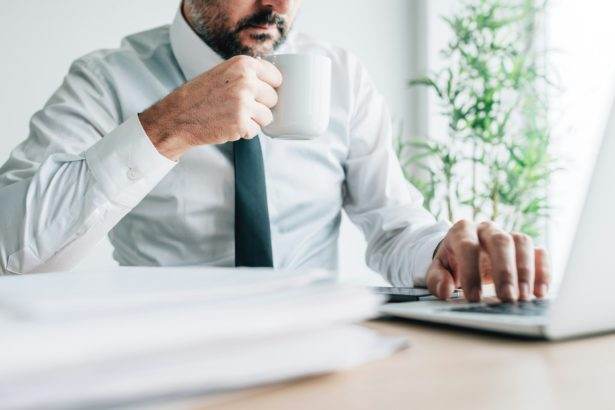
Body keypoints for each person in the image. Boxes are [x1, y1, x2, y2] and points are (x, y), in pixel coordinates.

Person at [0, 0, 550, 303]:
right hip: (167, 353)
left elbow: (393, 226)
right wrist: (167, 127)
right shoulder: (106, 80)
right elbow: (14, 248)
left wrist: (439, 251)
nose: (278, 6)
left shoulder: (342, 75)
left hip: (314, 348)